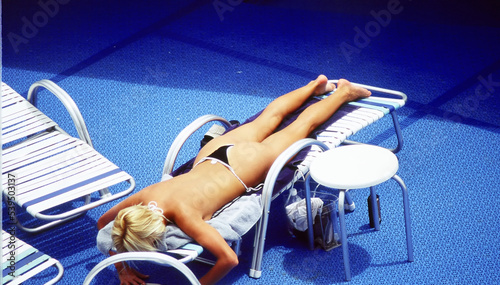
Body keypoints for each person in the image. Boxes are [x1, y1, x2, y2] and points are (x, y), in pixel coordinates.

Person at [97, 75, 371, 285]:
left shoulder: (185, 217)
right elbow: (103, 225)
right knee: (271, 116)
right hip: (213, 154)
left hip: (243, 167)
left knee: (304, 127)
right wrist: (123, 268)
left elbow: (228, 259)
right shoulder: (147, 196)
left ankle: (344, 91)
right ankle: (316, 85)